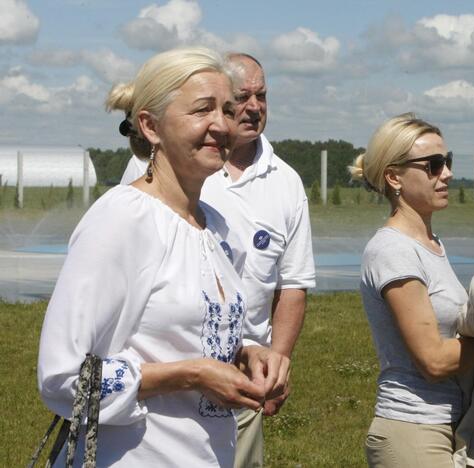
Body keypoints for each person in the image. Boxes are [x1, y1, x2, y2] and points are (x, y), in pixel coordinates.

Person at [37, 47, 287, 467]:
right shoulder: (123, 219)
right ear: (151, 127)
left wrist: (247, 353)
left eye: (226, 110)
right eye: (202, 109)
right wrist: (190, 374)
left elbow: (187, 331)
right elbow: (64, 378)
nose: (221, 125)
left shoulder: (218, 228)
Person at [120, 52, 315, 468]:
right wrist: (185, 373)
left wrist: (273, 362)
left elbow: (292, 284)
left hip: (241, 384)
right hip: (154, 404)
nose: (254, 107)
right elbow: (73, 371)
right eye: (240, 99)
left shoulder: (286, 182)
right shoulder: (146, 181)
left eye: (261, 96)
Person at [349, 113, 474, 468]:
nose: (447, 174)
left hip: (449, 423)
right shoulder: (394, 251)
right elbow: (434, 360)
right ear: (394, 177)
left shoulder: (430, 244)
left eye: (448, 162)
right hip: (413, 430)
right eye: (433, 165)